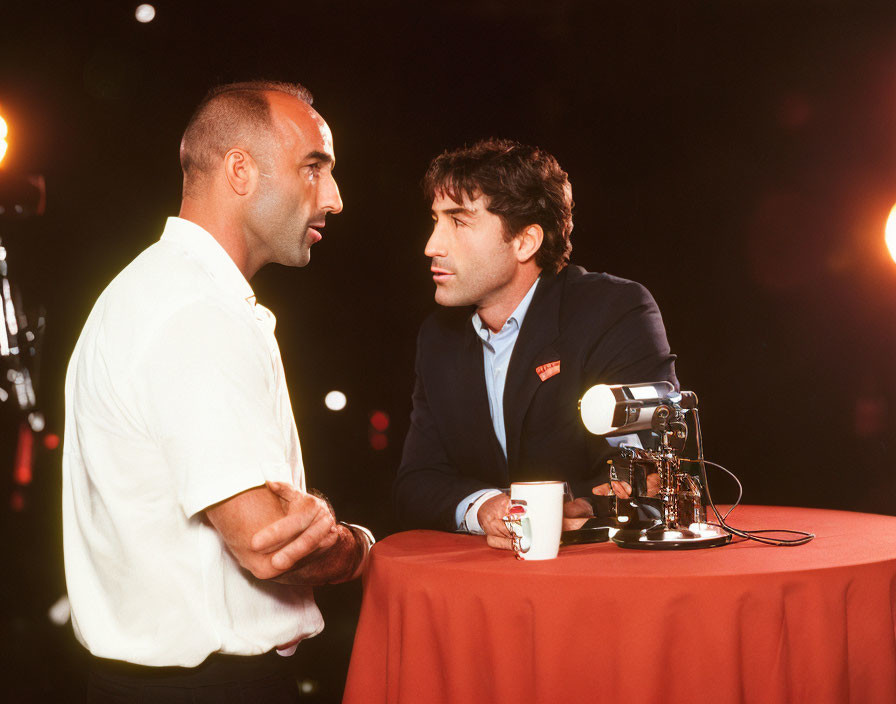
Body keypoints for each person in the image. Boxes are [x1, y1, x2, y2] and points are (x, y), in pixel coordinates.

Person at [62, 81, 373, 703]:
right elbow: (270, 546)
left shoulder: (157, 287)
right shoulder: (194, 310)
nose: (334, 199)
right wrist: (360, 549)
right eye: (314, 167)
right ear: (239, 170)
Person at [393, 138, 678, 550]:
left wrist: (578, 506)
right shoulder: (438, 337)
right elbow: (416, 483)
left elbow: (650, 471)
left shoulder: (613, 310)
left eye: (458, 221)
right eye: (436, 219)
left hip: (601, 581)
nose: (431, 246)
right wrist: (487, 507)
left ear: (525, 242)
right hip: (490, 589)